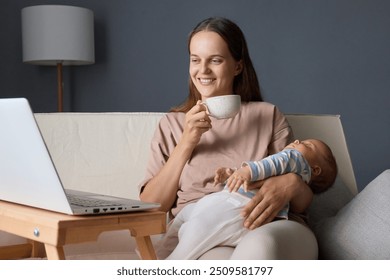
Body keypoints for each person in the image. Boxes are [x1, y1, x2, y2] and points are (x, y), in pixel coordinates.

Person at [139, 17, 317, 260]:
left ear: (238, 66)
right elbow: (152, 205)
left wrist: (292, 185)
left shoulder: (267, 115)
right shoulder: (172, 124)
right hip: (205, 231)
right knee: (217, 260)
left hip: (270, 224)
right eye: (195, 60)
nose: (203, 71)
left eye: (215, 60)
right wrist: (186, 143)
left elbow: (303, 199)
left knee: (260, 248)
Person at [156, 138, 337, 260]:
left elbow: (269, 164)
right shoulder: (289, 167)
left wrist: (246, 171)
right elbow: (261, 175)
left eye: (307, 145)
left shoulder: (294, 159)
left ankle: (166, 259)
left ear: (315, 170)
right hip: (224, 203)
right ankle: (159, 254)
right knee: (189, 218)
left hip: (237, 207)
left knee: (197, 232)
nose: (297, 141)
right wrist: (233, 174)